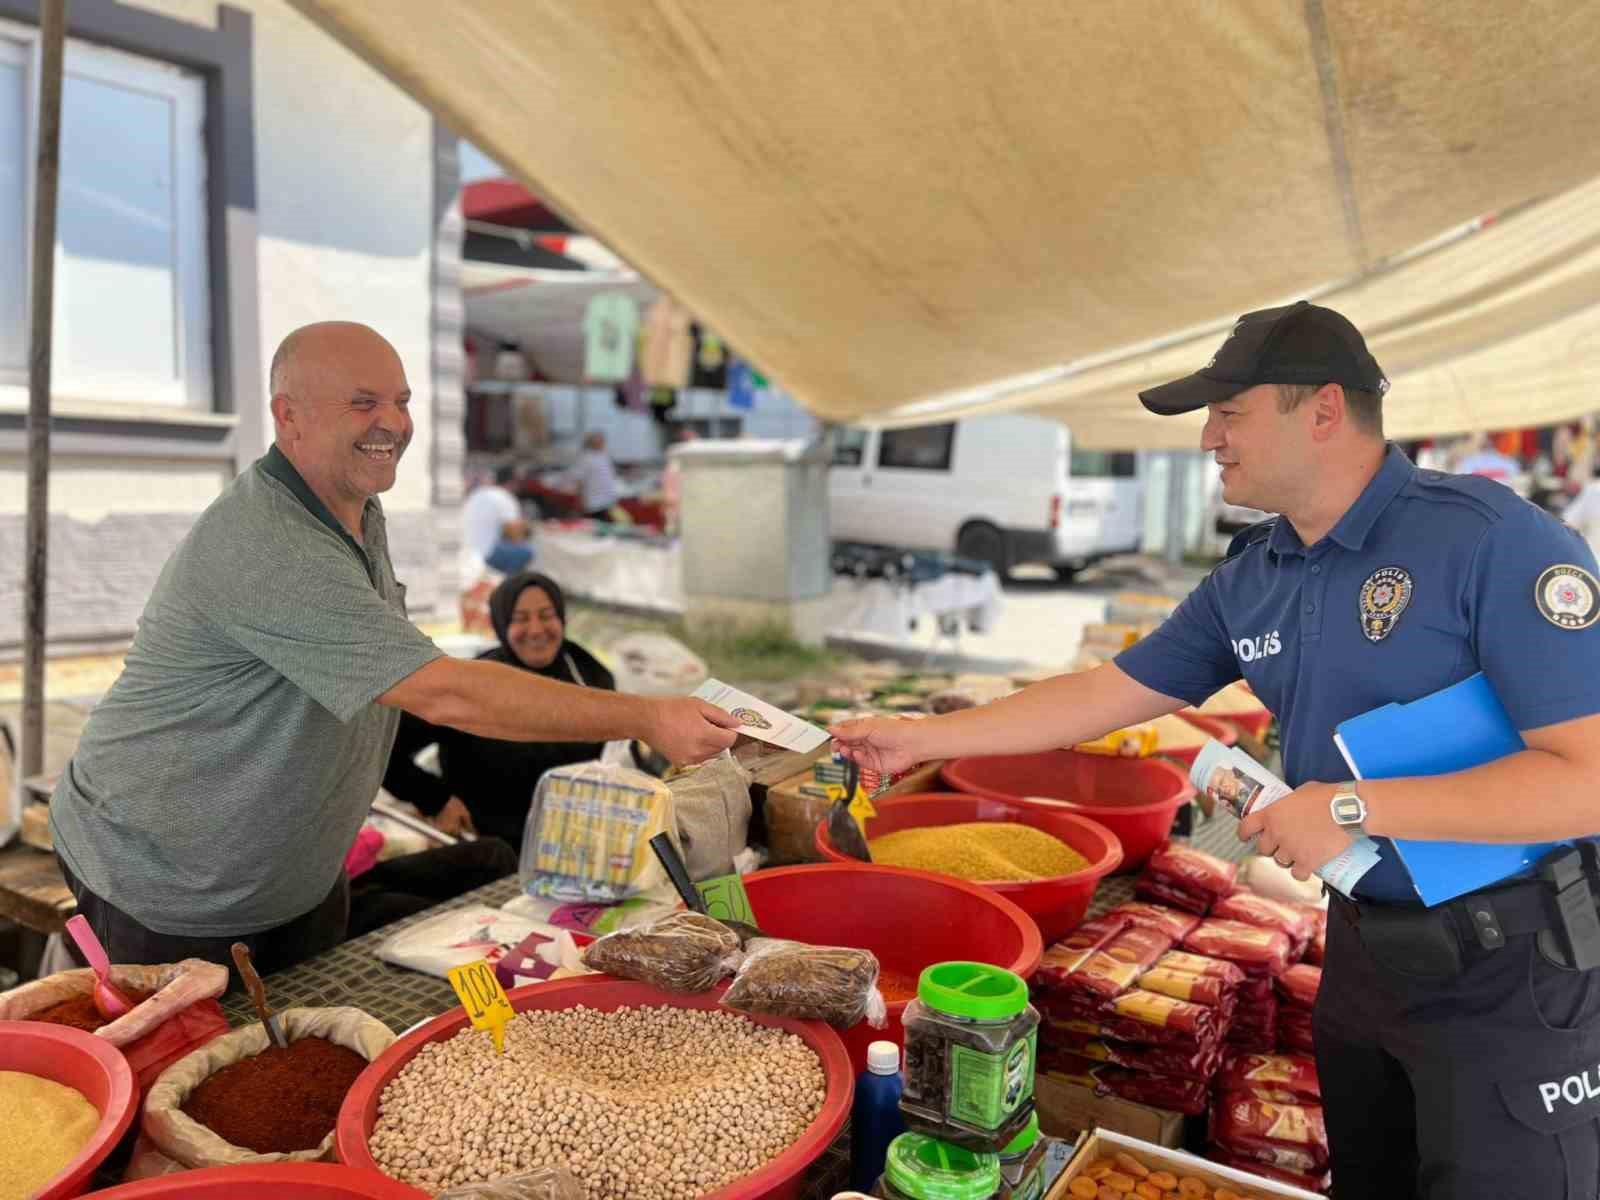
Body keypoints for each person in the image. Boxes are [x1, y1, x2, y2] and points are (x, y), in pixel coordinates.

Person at [831, 301, 1600, 1200]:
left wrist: (1352, 808)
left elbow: (1587, 781)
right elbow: (1104, 694)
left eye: (1229, 413)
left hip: (1513, 975)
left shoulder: (1491, 541)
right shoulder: (1257, 574)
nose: (1208, 440)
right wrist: (925, 737)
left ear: (1321, 411)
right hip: (1364, 955)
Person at [48, 322, 739, 978]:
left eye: (402, 401)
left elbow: (388, 677)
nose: (394, 423)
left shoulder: (353, 508)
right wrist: (647, 717)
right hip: (167, 882)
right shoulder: (268, 542)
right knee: (194, 1079)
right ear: (287, 415)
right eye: (362, 403)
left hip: (294, 881)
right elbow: (443, 691)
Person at [383, 571, 616, 851]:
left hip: (577, 849)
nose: (536, 629)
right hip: (490, 850)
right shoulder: (473, 685)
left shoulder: (590, 676)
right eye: (520, 619)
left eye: (546, 615)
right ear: (502, 622)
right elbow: (385, 750)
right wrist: (436, 799)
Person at [462, 463, 535, 573]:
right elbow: (515, 535)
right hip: (485, 553)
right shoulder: (505, 497)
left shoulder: (478, 493)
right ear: (513, 481)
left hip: (466, 551)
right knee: (527, 551)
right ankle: (509, 585)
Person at [575, 430, 621, 519]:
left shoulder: (604, 455)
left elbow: (610, 475)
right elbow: (579, 479)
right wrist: (580, 499)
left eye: (602, 440)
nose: (601, 443)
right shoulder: (585, 458)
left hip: (608, 500)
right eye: (598, 440)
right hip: (594, 501)